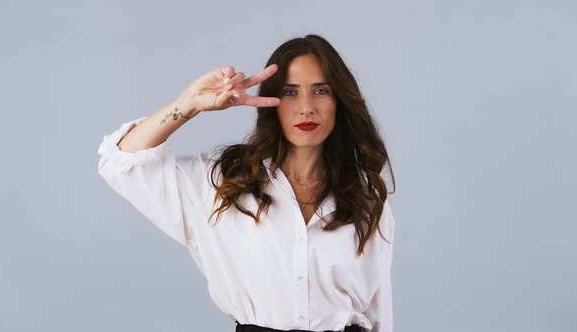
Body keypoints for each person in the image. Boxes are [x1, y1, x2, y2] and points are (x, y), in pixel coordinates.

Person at [97, 34, 396, 332]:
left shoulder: (367, 202)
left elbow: (378, 316)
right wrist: (189, 104)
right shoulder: (221, 186)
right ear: (271, 102)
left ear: (338, 101)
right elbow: (121, 162)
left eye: (321, 90)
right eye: (290, 92)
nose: (306, 107)